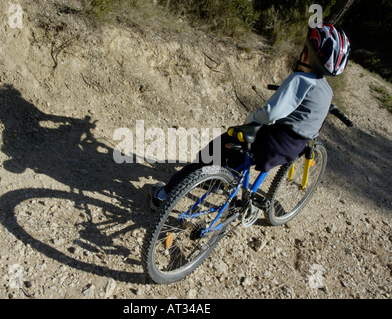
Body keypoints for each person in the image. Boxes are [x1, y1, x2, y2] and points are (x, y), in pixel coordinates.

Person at [150, 24, 351, 211]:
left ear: (307, 53)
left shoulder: (300, 78)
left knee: (212, 153)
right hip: (285, 151)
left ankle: (162, 195)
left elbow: (271, 113)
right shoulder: (327, 91)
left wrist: (251, 118)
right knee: (240, 158)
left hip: (268, 142)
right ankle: (223, 182)